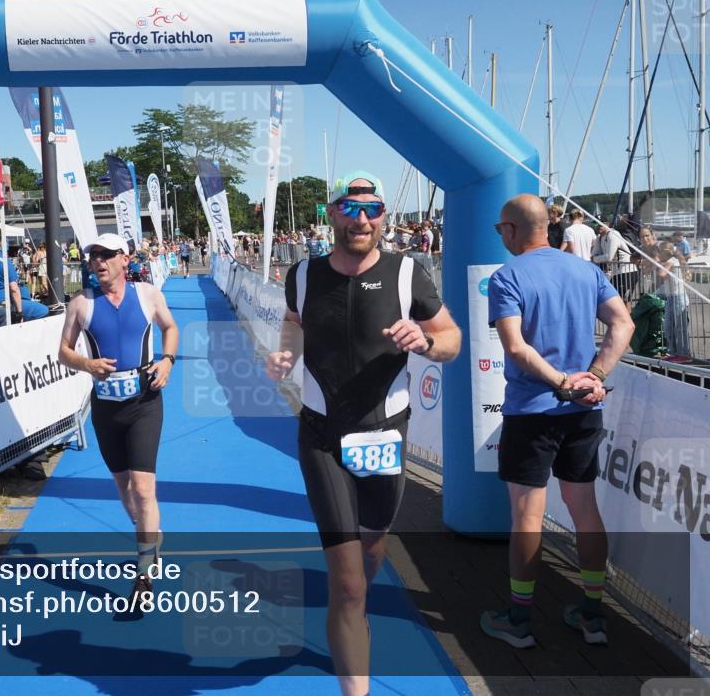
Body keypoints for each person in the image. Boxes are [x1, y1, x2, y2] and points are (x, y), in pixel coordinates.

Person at [266, 171, 461, 696]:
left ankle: (354, 611)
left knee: (372, 549)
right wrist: (286, 352)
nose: (361, 219)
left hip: (385, 435)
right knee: (348, 582)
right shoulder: (303, 274)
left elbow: (451, 339)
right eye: (350, 209)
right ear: (332, 214)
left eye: (372, 209)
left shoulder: (407, 273)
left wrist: (425, 341)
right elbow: (293, 322)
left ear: (383, 217)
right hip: (322, 436)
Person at [481, 194, 633, 649]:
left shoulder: (508, 276)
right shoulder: (586, 271)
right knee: (584, 509)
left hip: (534, 411)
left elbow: (516, 348)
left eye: (500, 230)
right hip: (584, 410)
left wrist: (564, 382)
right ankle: (592, 616)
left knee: (527, 514)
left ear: (511, 230)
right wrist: (594, 377)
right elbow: (623, 325)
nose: (500, 237)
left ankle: (519, 619)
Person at [58, 233, 179, 605]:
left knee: (143, 489)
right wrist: (86, 363)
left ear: (125, 259)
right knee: (125, 488)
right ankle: (148, 535)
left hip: (145, 402)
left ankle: (144, 574)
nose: (98, 261)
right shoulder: (81, 303)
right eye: (93, 255)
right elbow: (63, 352)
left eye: (106, 255)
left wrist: (167, 360)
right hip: (106, 408)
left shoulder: (148, 295)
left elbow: (170, 328)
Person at [591, 222, 638, 300]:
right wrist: (592, 258)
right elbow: (594, 253)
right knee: (612, 299)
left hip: (627, 272)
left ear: (607, 224)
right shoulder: (599, 237)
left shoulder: (613, 234)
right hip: (616, 273)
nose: (599, 227)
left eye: (601, 225)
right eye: (597, 225)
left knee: (622, 301)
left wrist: (595, 259)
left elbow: (609, 257)